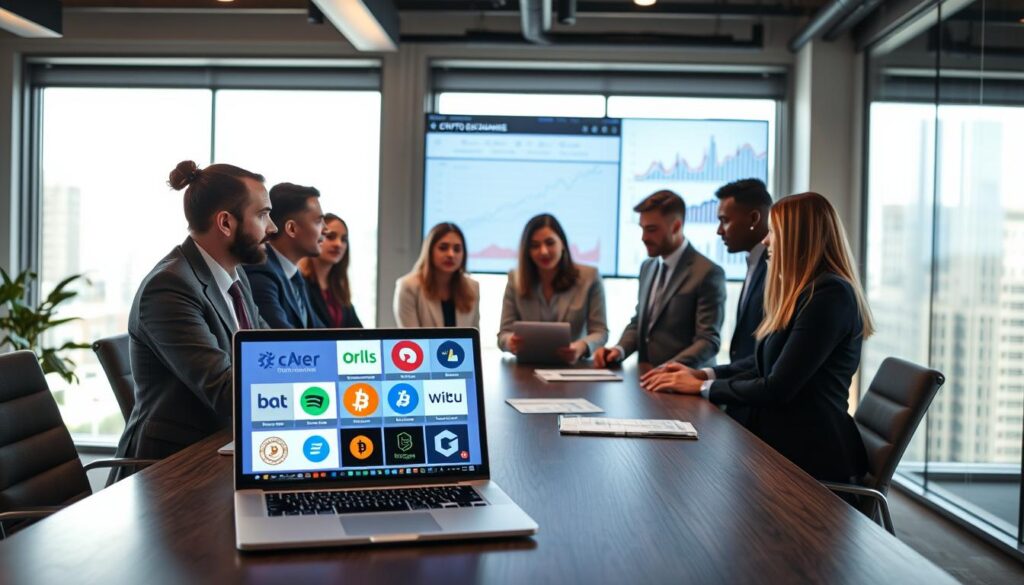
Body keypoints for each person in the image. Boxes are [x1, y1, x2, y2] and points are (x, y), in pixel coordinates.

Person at [640, 192, 873, 482]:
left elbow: (776, 388)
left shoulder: (830, 295)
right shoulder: (804, 293)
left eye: (774, 232)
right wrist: (701, 374)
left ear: (798, 237)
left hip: (808, 455)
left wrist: (703, 388)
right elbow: (762, 363)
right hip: (777, 440)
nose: (765, 241)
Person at [116, 160, 275, 465]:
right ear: (226, 223)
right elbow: (225, 390)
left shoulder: (236, 279)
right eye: (263, 214)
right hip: (171, 470)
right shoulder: (169, 287)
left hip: (220, 450)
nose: (273, 228)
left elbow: (271, 350)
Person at [593, 190, 726, 369]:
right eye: (642, 228)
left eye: (652, 230)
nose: (644, 238)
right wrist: (619, 350)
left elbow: (708, 341)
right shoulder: (648, 267)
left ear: (676, 227)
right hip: (646, 380)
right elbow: (640, 321)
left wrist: (666, 368)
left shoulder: (708, 272)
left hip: (684, 382)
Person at [498, 214, 608, 363]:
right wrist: (510, 342)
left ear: (562, 244)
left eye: (550, 243)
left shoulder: (590, 277)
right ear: (527, 251)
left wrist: (580, 347)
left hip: (573, 369)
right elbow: (503, 334)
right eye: (535, 246)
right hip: (526, 369)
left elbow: (600, 332)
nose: (543, 251)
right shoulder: (515, 279)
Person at [713, 178, 772, 425]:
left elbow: (766, 356)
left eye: (725, 220)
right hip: (742, 399)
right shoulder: (754, 264)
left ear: (753, 219)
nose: (719, 231)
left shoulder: (775, 271)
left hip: (760, 412)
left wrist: (707, 383)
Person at [244, 182, 326, 329]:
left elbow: (320, 332)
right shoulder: (261, 274)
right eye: (318, 221)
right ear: (292, 228)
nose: (325, 230)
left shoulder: (295, 276)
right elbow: (282, 340)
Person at [394, 222, 480, 328]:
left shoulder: (472, 287)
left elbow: (474, 336)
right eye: (443, 248)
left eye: (457, 249)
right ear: (429, 251)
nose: (451, 254)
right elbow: (411, 339)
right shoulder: (408, 286)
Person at [299, 213, 363, 328]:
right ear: (315, 237)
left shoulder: (338, 288)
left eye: (344, 239)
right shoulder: (299, 283)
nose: (338, 244)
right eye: (331, 236)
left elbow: (358, 332)